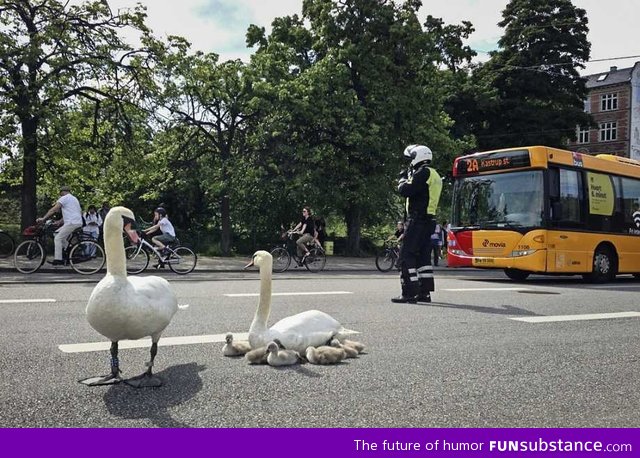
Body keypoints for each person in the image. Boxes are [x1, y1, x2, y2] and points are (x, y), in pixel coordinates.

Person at [392, 145, 442, 304]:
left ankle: (409, 292)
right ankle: (424, 293)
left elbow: (405, 190)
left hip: (418, 220)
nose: (409, 163)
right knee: (423, 257)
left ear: (417, 157)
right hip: (429, 220)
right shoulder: (434, 174)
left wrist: (402, 178)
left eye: (410, 159)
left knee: (406, 255)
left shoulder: (423, 172)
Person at [36, 185, 83, 265]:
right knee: (56, 233)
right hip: (76, 221)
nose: (60, 195)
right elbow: (74, 213)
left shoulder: (64, 198)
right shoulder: (74, 199)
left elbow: (53, 210)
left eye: (60, 194)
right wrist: (59, 221)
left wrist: (43, 218)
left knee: (57, 238)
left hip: (71, 223)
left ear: (62, 192)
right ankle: (70, 251)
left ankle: (58, 259)